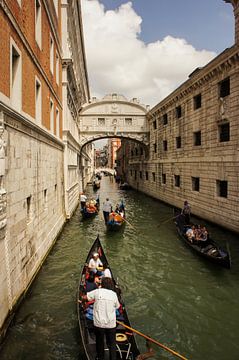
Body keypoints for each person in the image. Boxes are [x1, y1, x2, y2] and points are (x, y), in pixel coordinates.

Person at [86, 277, 120, 360]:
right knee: (112, 343)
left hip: (99, 324)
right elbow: (117, 306)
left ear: (102, 284)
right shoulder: (114, 294)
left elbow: (86, 297)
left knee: (100, 342)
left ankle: (100, 357)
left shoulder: (97, 291)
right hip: (111, 324)